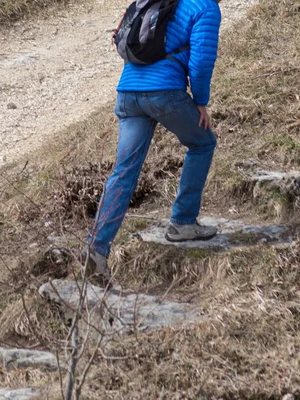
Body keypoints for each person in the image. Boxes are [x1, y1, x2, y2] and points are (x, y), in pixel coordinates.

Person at [83, 0, 222, 287]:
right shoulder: (205, 8)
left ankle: (96, 249)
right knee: (202, 143)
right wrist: (200, 102)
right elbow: (201, 62)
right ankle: (183, 222)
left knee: (123, 172)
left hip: (128, 92)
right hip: (164, 92)